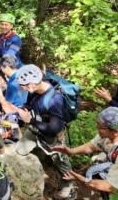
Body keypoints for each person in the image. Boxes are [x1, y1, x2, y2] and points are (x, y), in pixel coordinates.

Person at [52, 107, 118, 200]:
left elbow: (111, 187)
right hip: (116, 176)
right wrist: (70, 151)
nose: (97, 128)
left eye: (100, 126)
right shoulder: (107, 136)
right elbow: (91, 146)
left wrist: (82, 180)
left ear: (116, 131)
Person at [14, 64, 76, 199]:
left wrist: (31, 121)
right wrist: (19, 110)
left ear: (32, 83)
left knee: (61, 162)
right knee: (19, 150)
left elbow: (54, 128)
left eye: (23, 85)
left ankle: (69, 188)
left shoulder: (54, 99)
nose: (22, 88)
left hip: (53, 136)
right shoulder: (35, 91)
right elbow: (29, 105)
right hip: (37, 127)